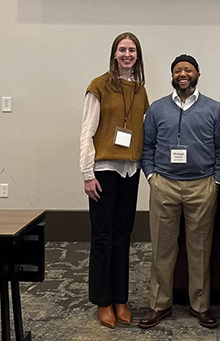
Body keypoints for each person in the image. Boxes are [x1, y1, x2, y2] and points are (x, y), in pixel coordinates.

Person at [138, 55, 220, 330]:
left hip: (202, 186)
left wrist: (216, 183)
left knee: (200, 249)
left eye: (187, 69)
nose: (182, 74)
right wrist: (152, 177)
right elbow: (146, 146)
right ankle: (159, 305)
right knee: (162, 248)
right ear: (172, 76)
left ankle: (200, 305)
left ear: (198, 73)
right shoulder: (157, 109)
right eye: (177, 70)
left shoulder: (214, 109)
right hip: (165, 185)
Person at [79, 32, 149, 328]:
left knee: (123, 236)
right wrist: (87, 174)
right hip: (104, 171)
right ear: (114, 54)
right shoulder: (99, 86)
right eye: (122, 49)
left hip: (130, 171)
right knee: (103, 237)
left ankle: (121, 299)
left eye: (132, 50)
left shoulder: (140, 90)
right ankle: (103, 301)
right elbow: (87, 131)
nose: (127, 54)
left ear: (138, 55)